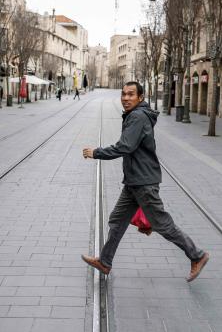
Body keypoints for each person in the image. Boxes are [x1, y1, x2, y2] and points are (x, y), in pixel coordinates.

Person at [81, 81, 209, 282]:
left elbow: (125, 146)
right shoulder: (136, 115)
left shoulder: (138, 117)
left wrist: (96, 152)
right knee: (117, 219)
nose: (125, 98)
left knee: (163, 225)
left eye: (131, 94)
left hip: (143, 182)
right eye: (123, 94)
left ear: (140, 97)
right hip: (134, 181)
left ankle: (197, 255)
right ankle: (105, 262)